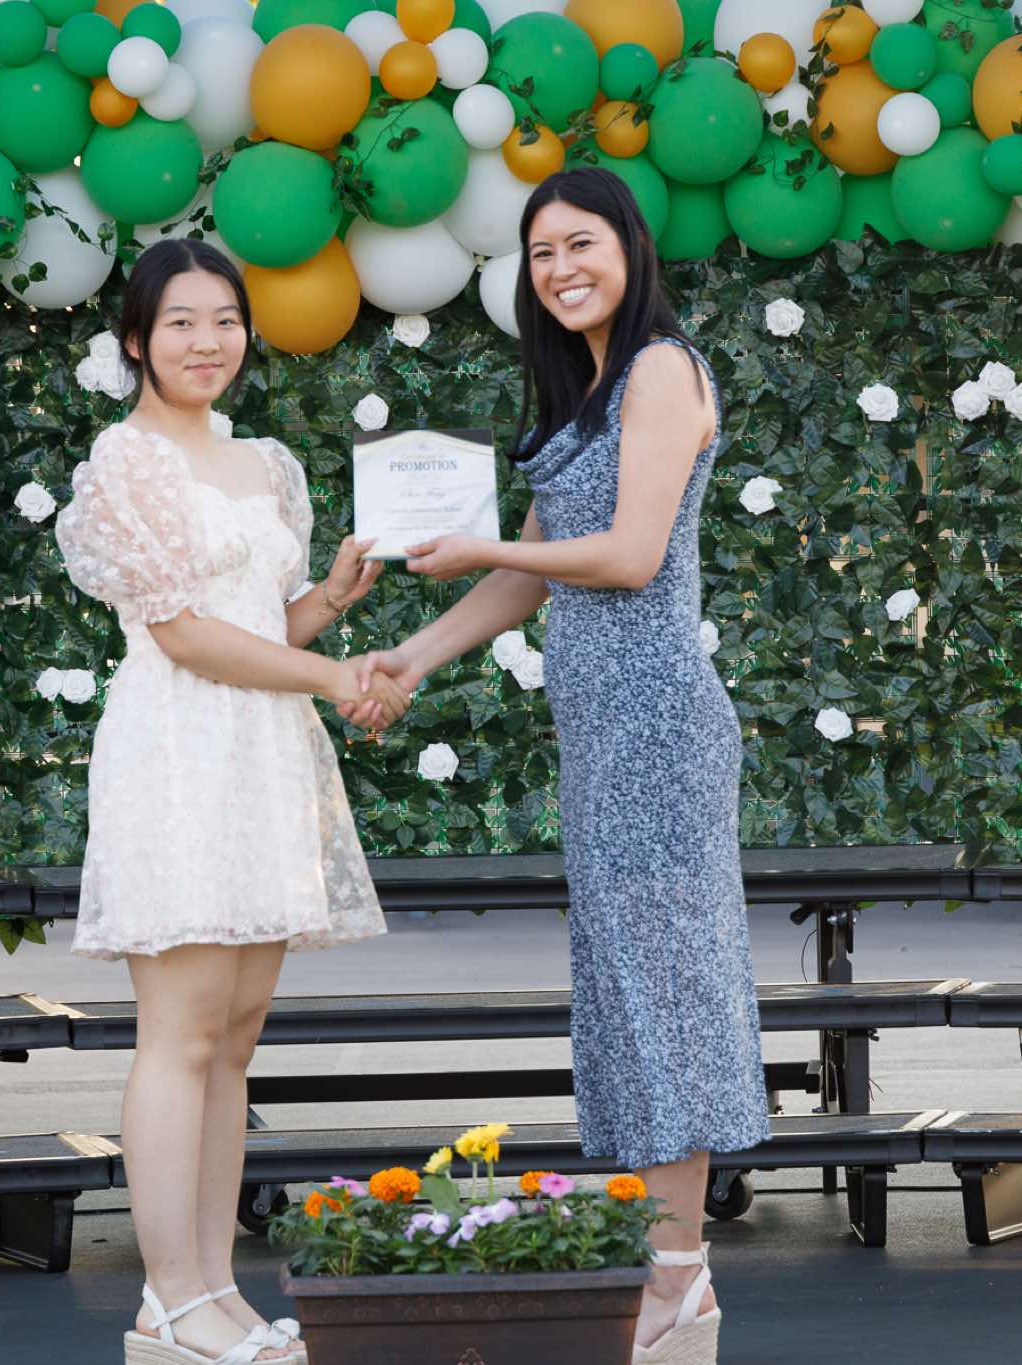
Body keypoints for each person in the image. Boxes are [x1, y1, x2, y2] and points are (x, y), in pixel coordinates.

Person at [344, 167, 766, 1365]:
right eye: (540, 254)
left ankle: (678, 1278)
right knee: (629, 991)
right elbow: (527, 576)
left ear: (629, 247)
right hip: (600, 736)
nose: (560, 268)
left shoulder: (663, 371)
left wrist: (481, 543)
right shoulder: (584, 392)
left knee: (665, 990)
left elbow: (628, 556)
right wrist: (411, 656)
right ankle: (667, 1270)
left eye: (580, 244)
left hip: (658, 729)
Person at [54, 238, 409, 1365]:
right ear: (136, 340)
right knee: (181, 1031)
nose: (207, 341)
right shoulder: (125, 461)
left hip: (259, 749)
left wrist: (328, 601)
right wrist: (331, 677)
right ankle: (167, 1299)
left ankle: (213, 1290)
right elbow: (184, 636)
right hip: (177, 749)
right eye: (180, 322)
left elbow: (261, 626)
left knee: (233, 1038)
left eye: (223, 320)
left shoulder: (264, 462)